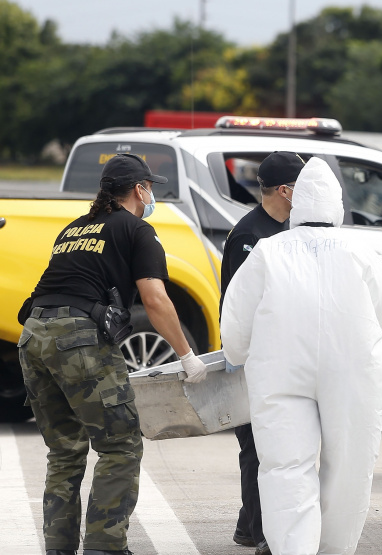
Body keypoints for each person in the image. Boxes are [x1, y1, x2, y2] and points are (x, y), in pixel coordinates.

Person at [17, 153, 208, 555]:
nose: (152, 193)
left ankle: (59, 547)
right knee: (120, 445)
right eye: (150, 186)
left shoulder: (73, 228)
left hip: (33, 336)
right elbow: (155, 299)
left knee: (65, 451)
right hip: (77, 337)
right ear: (139, 189)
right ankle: (106, 547)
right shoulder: (137, 230)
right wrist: (187, 355)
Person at [221, 157, 382, 555]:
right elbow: (381, 310)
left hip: (280, 370)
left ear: (299, 205)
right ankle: (333, 549)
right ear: (336, 206)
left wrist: (239, 354)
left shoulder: (267, 251)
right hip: (353, 368)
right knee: (350, 464)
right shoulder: (361, 251)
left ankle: (294, 549)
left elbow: (235, 323)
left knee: (285, 467)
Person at [221, 151, 305, 555]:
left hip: (283, 357)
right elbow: (240, 309)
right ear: (286, 190)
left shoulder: (289, 227)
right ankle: (260, 536)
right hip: (254, 359)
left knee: (273, 444)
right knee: (256, 448)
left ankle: (247, 526)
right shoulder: (250, 236)